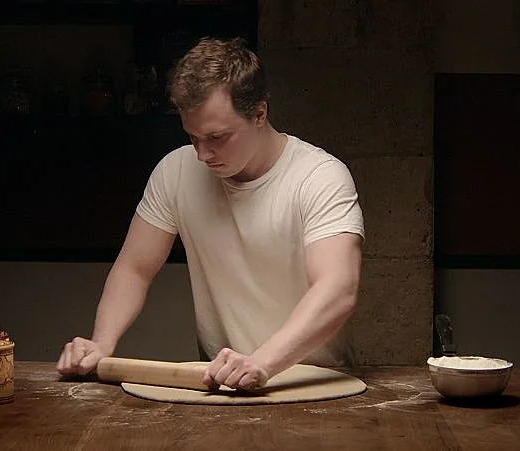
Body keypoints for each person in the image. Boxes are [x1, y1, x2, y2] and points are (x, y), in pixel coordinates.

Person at [57, 37, 364, 391]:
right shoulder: (175, 172)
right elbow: (134, 269)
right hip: (219, 386)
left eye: (216, 137)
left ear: (259, 113)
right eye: (193, 138)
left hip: (314, 385)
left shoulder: (320, 177)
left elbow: (337, 288)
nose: (203, 155)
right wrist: (101, 343)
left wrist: (262, 362)